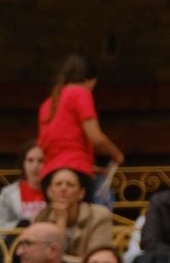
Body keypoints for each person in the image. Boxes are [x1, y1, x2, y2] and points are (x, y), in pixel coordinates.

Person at [36, 54, 122, 188]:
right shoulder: (81, 93)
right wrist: (116, 154)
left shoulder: (48, 103)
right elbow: (95, 137)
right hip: (75, 175)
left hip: (50, 177)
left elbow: (49, 146)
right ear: (89, 80)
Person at [36, 166, 116, 262]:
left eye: (70, 185)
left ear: (81, 193)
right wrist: (61, 220)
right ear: (49, 192)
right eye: (58, 184)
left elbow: (97, 262)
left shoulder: (99, 217)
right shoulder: (41, 219)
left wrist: (60, 260)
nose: (63, 188)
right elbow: (42, 261)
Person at [0, 143, 47, 230]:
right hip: (17, 241)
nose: (35, 166)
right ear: (23, 164)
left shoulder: (56, 191)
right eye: (30, 160)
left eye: (41, 161)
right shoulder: (8, 194)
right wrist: (25, 224)